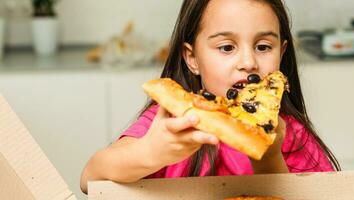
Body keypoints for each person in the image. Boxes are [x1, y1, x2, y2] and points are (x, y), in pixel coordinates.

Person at [80, 0, 340, 193]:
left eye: (263, 47)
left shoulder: (289, 133)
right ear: (192, 58)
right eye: (226, 47)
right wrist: (152, 151)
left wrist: (269, 156)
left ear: (281, 53)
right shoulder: (172, 123)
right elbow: (89, 177)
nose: (248, 63)